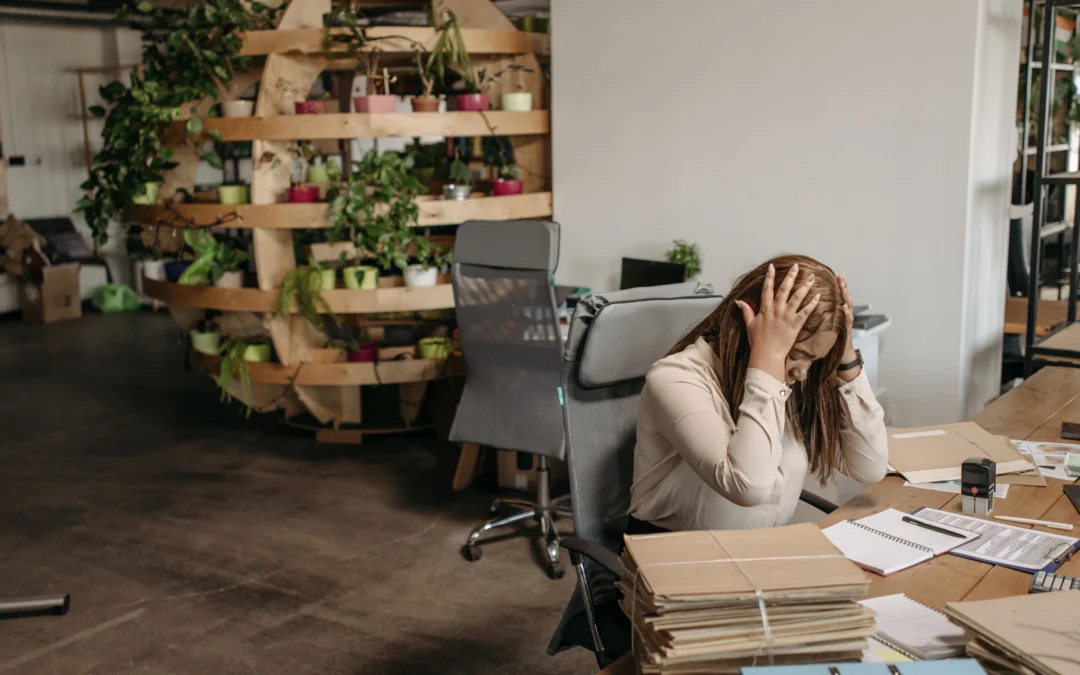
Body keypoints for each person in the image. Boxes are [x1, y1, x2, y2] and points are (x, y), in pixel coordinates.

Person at [628, 254, 888, 533]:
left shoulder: (794, 380)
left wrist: (845, 353)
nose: (802, 373)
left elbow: (869, 467)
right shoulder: (675, 378)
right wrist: (768, 358)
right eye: (797, 355)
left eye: (814, 360)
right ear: (750, 326)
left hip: (756, 555)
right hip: (674, 560)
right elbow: (747, 486)